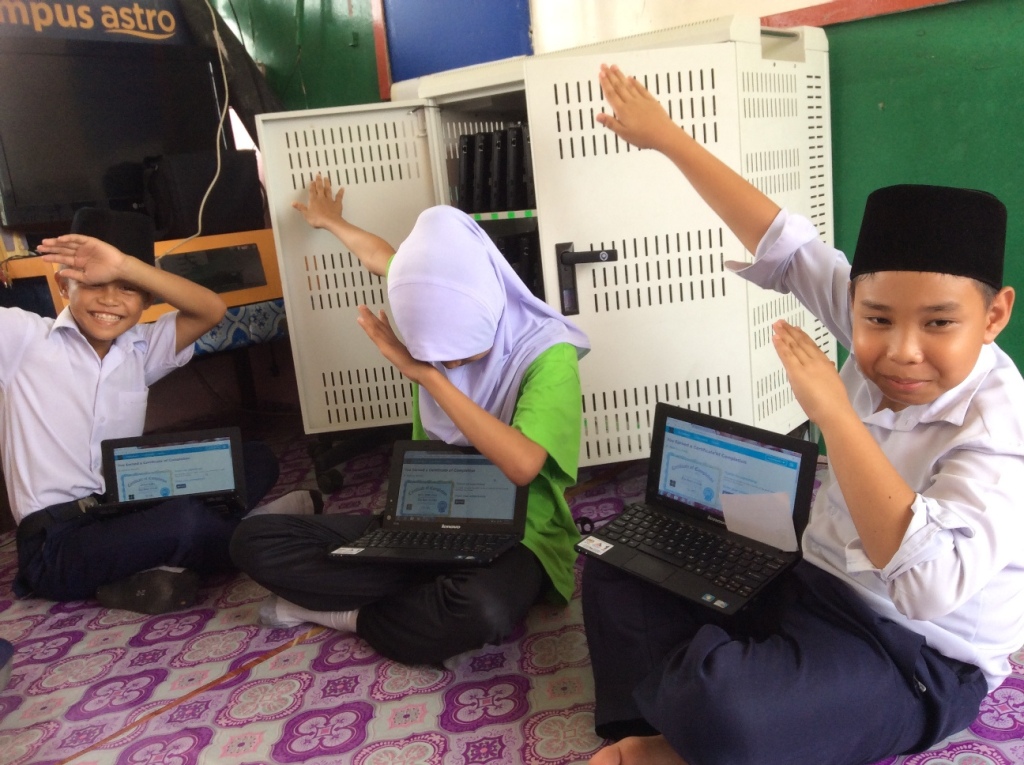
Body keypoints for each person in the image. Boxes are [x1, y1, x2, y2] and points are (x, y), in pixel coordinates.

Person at [581, 65, 1024, 765]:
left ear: (994, 314)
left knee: (733, 711)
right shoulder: (871, 316)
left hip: (914, 651)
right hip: (812, 580)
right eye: (876, 319)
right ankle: (671, 720)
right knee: (618, 562)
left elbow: (926, 584)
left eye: (940, 323)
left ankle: (696, 722)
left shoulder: (1000, 431)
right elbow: (786, 246)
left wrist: (836, 416)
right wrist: (668, 138)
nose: (902, 351)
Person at [230, 175, 590, 665]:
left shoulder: (549, 355)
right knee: (253, 541)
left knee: (482, 609)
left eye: (464, 354)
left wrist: (427, 376)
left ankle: (345, 614)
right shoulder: (430, 291)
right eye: (437, 356)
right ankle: (416, 588)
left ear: (488, 305)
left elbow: (523, 465)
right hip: (426, 514)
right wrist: (331, 222)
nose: (452, 365)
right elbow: (383, 257)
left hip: (518, 530)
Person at [5, 208, 320, 617]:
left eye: (128, 287)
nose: (110, 300)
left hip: (124, 506)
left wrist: (124, 264)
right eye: (94, 284)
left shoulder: (140, 348)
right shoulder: (25, 340)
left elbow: (210, 309)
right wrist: (124, 272)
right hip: (57, 540)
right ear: (64, 284)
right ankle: (254, 533)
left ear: (147, 298)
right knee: (184, 521)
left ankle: (149, 565)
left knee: (253, 459)